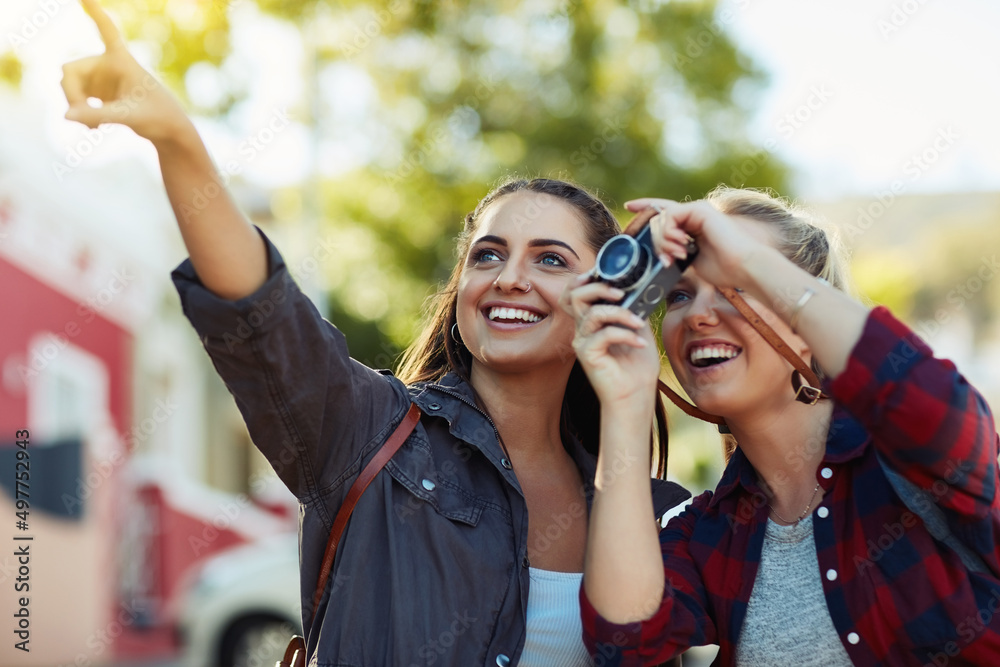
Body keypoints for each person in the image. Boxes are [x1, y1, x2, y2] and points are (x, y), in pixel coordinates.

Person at [59, 1, 690, 664]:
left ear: (610, 291)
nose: (508, 277)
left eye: (551, 259)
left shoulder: (656, 509)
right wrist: (176, 139)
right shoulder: (367, 431)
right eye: (488, 254)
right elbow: (262, 316)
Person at [565, 187, 1000, 666]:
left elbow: (936, 406)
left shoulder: (907, 458)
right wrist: (624, 402)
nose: (698, 315)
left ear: (808, 323)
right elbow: (627, 644)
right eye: (680, 294)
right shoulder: (706, 531)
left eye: (737, 285)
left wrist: (747, 257)